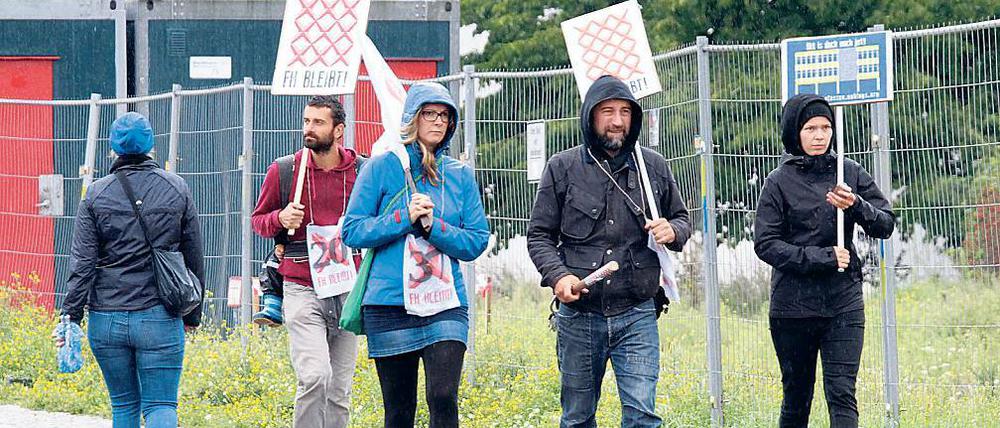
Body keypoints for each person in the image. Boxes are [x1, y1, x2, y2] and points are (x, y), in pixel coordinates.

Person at [527, 75, 691, 428]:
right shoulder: (562, 167)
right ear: (590, 116)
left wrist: (672, 230)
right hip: (580, 314)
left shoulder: (653, 167)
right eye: (607, 111)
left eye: (624, 112)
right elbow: (539, 236)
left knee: (643, 416)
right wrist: (559, 277)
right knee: (577, 418)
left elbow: (682, 220)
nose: (617, 120)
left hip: (637, 312)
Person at [341, 82, 490, 428]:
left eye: (445, 116)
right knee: (398, 410)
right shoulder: (380, 168)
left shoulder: (459, 175)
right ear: (412, 117)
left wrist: (432, 227)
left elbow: (476, 240)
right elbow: (353, 231)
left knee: (443, 397)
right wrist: (402, 219)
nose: (438, 122)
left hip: (444, 301)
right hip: (390, 304)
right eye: (429, 114)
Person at [754, 93, 895, 428]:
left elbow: (886, 223)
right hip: (793, 307)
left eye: (826, 127)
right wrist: (823, 257)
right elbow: (766, 244)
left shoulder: (848, 171)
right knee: (796, 397)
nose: (819, 135)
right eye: (810, 128)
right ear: (794, 133)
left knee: (842, 394)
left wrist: (857, 205)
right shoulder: (778, 182)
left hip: (842, 303)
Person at [59, 111, 204, 428]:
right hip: (160, 316)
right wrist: (192, 314)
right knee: (160, 404)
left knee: (124, 406)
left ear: (113, 149)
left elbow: (82, 263)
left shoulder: (95, 194)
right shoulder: (177, 188)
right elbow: (193, 257)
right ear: (152, 144)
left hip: (106, 319)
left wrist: (71, 316)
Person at [251, 95, 360, 428]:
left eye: (318, 122)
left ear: (338, 130)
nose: (309, 129)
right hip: (301, 285)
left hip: (347, 287)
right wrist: (281, 218)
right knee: (315, 376)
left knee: (339, 391)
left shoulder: (361, 171)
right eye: (306, 121)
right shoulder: (286, 170)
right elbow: (258, 221)